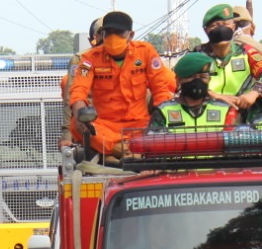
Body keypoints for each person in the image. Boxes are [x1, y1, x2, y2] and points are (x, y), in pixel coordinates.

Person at [68, 10, 176, 160]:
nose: (113, 38)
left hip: (140, 126)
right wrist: (81, 115)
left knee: (170, 124)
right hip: (104, 126)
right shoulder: (89, 59)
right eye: (108, 33)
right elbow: (79, 89)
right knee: (75, 124)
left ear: (131, 35)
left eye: (119, 33)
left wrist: (160, 119)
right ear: (102, 35)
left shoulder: (146, 52)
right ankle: (120, 149)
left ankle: (120, 153)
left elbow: (160, 88)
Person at [196, 3, 262, 119]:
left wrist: (253, 94)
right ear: (206, 30)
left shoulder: (246, 52)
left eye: (225, 24)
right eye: (215, 25)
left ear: (233, 27)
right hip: (209, 117)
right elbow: (183, 82)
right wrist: (214, 95)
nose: (221, 29)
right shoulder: (197, 56)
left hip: (245, 116)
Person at [148, 52, 237, 132]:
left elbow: (234, 144)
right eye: (191, 77)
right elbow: (153, 144)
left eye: (203, 77)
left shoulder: (225, 110)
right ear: (178, 80)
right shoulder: (164, 110)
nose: (197, 81)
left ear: (209, 79)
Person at [61, 16, 106, 147]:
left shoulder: (134, 58)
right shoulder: (85, 61)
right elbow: (73, 94)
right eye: (105, 33)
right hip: (94, 122)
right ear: (96, 37)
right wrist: (67, 134)